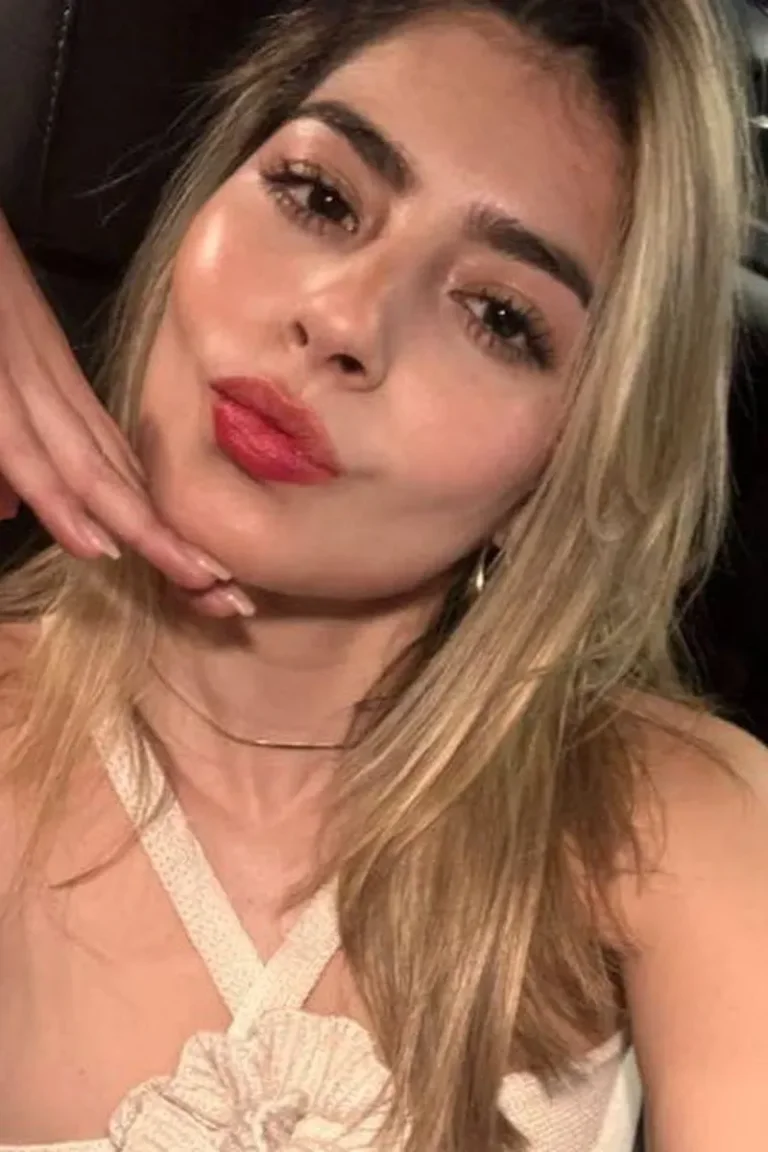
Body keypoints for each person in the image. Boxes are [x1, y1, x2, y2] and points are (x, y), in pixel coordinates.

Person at [0, 1, 766, 1150]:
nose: (342, 317)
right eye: (318, 197)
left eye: (499, 317)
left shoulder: (679, 819)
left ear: (570, 468)